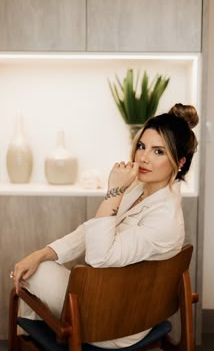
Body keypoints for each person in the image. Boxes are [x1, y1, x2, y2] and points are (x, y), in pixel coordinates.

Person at [11, 103, 199, 348]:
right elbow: (90, 230)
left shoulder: (165, 219)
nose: (143, 157)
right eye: (142, 146)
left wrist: (114, 191)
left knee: (28, 272)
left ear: (180, 162)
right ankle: (40, 326)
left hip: (115, 324)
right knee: (36, 262)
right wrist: (43, 252)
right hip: (118, 301)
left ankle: (32, 334)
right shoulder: (139, 188)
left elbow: (98, 257)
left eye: (158, 152)